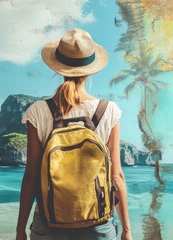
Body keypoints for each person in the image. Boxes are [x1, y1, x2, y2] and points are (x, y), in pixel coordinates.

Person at [15, 29, 132, 240]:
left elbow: (31, 176)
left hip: (48, 223)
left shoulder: (38, 112)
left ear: (58, 69)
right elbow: (116, 176)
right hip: (97, 224)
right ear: (90, 70)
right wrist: (126, 231)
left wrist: (20, 230)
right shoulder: (109, 111)